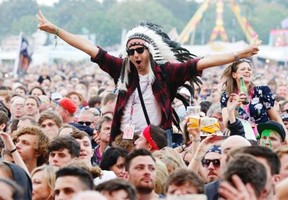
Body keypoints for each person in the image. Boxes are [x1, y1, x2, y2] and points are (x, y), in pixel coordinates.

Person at [37, 11, 260, 145]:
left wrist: (239, 54)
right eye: (131, 52)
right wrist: (57, 30)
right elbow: (88, 47)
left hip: (157, 139)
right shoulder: (122, 69)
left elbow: (203, 61)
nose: (135, 55)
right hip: (125, 140)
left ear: (149, 52)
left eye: (139, 51)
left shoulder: (167, 72)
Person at [220, 59, 283, 137]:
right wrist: (235, 107)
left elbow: (275, 118)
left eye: (249, 69)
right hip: (241, 138)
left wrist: (286, 140)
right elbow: (227, 124)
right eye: (243, 69)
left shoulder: (262, 91)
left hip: (262, 138)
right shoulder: (228, 95)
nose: (247, 71)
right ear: (234, 75)